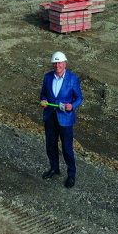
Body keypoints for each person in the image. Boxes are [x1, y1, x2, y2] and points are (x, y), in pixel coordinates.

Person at [40, 51, 83, 189]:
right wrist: (43, 100)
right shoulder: (47, 77)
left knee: (67, 148)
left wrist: (73, 106)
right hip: (50, 117)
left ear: (65, 64)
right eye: (55, 63)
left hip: (65, 119)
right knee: (50, 145)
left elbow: (79, 97)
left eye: (59, 63)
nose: (57, 65)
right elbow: (43, 93)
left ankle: (71, 174)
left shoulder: (73, 79)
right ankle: (54, 168)